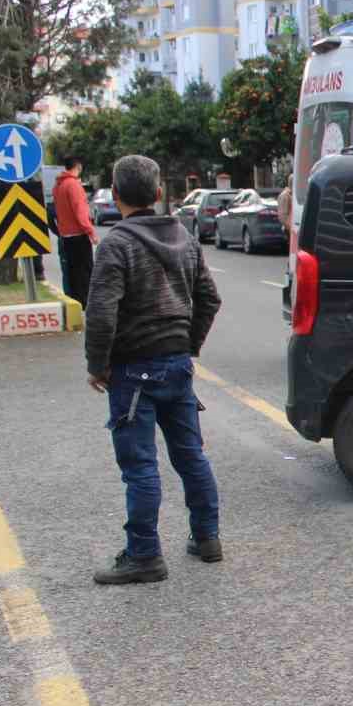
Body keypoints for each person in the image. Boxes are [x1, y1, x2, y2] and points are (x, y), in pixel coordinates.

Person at [85, 155, 223, 586]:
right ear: (158, 193)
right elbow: (209, 299)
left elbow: (102, 312)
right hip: (177, 365)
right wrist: (189, 344)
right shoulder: (184, 236)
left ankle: (144, 554)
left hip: (133, 371)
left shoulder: (116, 244)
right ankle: (207, 538)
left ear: (117, 194)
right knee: (190, 456)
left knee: (140, 466)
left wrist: (97, 364)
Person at [52, 157, 98, 307]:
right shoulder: (73, 185)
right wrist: (90, 231)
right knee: (85, 271)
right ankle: (85, 303)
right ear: (78, 166)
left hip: (65, 235)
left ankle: (75, 302)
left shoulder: (58, 185)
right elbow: (80, 211)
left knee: (72, 272)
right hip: (78, 235)